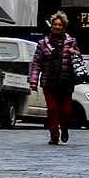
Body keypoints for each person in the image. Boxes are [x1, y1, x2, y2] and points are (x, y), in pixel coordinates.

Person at [29, 11, 83, 144]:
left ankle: (64, 128)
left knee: (65, 111)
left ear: (64, 26)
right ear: (51, 26)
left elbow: (79, 60)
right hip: (49, 82)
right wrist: (34, 81)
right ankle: (54, 135)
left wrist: (74, 53)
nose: (57, 27)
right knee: (52, 110)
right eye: (55, 24)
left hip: (66, 82)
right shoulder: (43, 44)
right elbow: (37, 63)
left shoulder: (71, 42)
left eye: (60, 25)